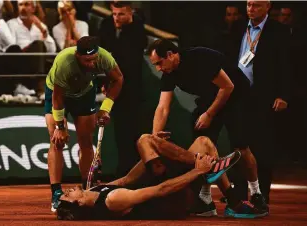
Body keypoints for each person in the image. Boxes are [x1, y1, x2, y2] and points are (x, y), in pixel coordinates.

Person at [147, 39, 269, 216]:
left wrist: (209, 114)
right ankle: (206, 199)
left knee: (241, 147)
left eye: (159, 63)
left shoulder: (199, 59)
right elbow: (163, 107)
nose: (158, 68)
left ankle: (257, 193)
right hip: (210, 98)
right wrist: (155, 137)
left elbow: (228, 87)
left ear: (170, 55)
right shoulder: (169, 73)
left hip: (236, 96)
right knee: (202, 147)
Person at [56, 134, 245, 220]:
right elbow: (160, 190)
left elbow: (126, 180)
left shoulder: (93, 192)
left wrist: (154, 151)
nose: (67, 190)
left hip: (164, 185)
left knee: (203, 142)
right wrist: (197, 171)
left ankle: (229, 197)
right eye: (67, 195)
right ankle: (221, 186)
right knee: (146, 140)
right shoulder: (113, 200)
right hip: (174, 201)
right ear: (78, 204)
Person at [220, 0, 290, 204]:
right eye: (249, 4)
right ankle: (239, 193)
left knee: (262, 147)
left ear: (268, 6)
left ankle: (262, 195)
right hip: (237, 94)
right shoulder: (238, 27)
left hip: (264, 96)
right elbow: (228, 58)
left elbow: (287, 66)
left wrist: (284, 95)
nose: (251, 9)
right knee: (238, 145)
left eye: (257, 5)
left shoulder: (279, 31)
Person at [45, 36, 123, 212]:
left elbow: (118, 79)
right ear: (77, 55)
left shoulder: (104, 57)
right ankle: (56, 193)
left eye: (94, 59)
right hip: (58, 94)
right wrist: (60, 127)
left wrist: (106, 108)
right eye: (87, 60)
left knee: (86, 142)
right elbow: (57, 99)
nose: (92, 63)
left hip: (85, 93)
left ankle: (88, 188)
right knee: (56, 141)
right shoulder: (64, 62)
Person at [98, 1, 147, 178]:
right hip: (113, 87)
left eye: (121, 14)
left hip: (133, 89)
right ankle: (123, 172)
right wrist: (106, 80)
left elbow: (130, 60)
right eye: (114, 14)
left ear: (130, 13)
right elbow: (101, 54)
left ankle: (135, 172)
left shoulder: (139, 29)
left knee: (133, 131)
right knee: (120, 132)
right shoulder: (105, 25)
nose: (117, 18)